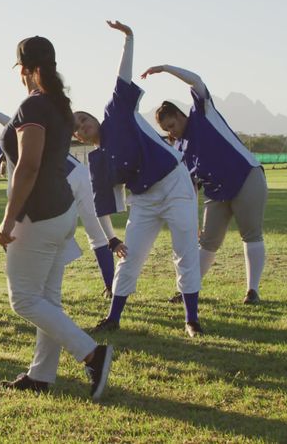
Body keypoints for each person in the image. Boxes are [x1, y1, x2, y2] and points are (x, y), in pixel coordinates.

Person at [0, 35, 113, 400]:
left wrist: (8, 219)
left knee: (25, 300)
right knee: (46, 298)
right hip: (61, 211)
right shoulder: (60, 106)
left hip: (38, 215)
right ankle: (42, 375)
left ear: (26, 70)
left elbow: (27, 167)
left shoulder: (34, 107)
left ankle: (92, 353)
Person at [73, 21, 204, 337]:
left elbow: (122, 76)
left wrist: (129, 39)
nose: (83, 123)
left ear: (94, 117)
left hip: (174, 183)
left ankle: (191, 319)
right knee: (129, 257)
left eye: (84, 117)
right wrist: (112, 239)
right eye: (77, 125)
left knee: (184, 250)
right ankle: (113, 318)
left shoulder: (116, 112)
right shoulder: (97, 160)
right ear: (75, 136)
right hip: (144, 199)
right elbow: (100, 207)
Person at [0, 103, 125, 295]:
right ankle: (110, 286)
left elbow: (4, 119)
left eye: (2, 161)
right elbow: (5, 119)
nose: (3, 167)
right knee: (94, 235)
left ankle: (36, 283)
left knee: (22, 235)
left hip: (65, 182)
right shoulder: (38, 139)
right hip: (80, 177)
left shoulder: (25, 148)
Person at [142, 64, 267, 304]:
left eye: (172, 125)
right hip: (217, 192)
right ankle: (189, 290)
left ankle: (252, 290)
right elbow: (190, 190)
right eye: (166, 129)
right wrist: (194, 221)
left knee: (251, 233)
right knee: (208, 242)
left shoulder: (202, 114)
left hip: (246, 177)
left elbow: (196, 81)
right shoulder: (179, 149)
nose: (172, 131)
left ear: (181, 116)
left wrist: (166, 68)